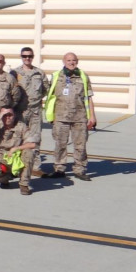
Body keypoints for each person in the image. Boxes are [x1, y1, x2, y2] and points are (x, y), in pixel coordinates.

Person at [43, 52, 96, 181]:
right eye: (69, 60)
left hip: (80, 116)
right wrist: (51, 116)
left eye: (74, 60)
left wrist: (92, 116)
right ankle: (59, 169)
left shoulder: (83, 76)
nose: (72, 63)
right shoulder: (56, 76)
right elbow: (50, 96)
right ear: (64, 61)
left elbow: (89, 98)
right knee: (60, 144)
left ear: (77, 61)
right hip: (61, 117)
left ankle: (80, 169)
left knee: (80, 145)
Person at [12, 47, 50, 177]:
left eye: (29, 56)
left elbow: (45, 89)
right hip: (20, 111)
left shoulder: (39, 73)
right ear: (21, 57)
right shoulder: (14, 73)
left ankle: (35, 167)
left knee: (36, 138)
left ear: (32, 57)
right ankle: (17, 164)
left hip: (35, 111)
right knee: (18, 139)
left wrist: (36, 100)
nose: (27, 58)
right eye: (24, 56)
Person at [0, 107, 37, 195]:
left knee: (29, 153)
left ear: (14, 115)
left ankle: (24, 184)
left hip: (16, 157)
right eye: (5, 115)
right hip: (0, 157)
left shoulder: (21, 126)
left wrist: (16, 148)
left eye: (10, 115)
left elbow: (33, 144)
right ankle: (5, 179)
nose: (7, 118)